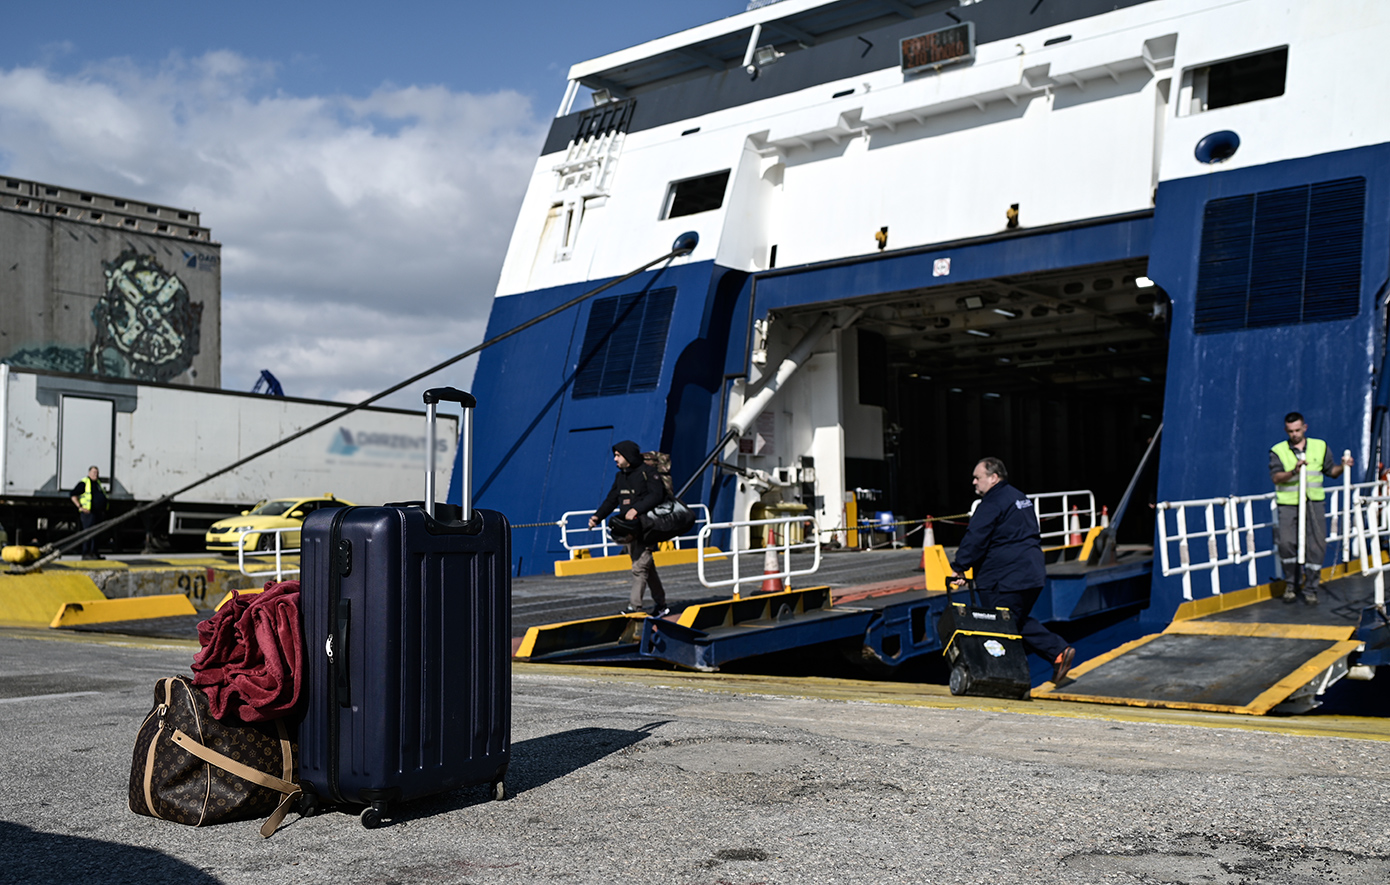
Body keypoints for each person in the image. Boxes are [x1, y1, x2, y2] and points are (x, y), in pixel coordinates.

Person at [950, 457, 1076, 684]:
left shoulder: (992, 503)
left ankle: (1013, 675)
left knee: (1001, 624)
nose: (974, 482)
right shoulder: (1020, 498)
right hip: (1032, 573)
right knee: (1015, 620)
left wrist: (959, 567)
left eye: (977, 477)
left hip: (1005, 578)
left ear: (993, 477)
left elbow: (976, 537)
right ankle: (1056, 654)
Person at [1269, 411, 1353, 605]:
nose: (1294, 434)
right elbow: (1276, 477)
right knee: (1286, 543)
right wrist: (1293, 471)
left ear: (1305, 428)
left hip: (1314, 502)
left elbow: (1331, 471)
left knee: (1316, 546)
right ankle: (1291, 584)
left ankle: (1311, 588)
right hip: (1289, 504)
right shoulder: (1278, 450)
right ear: (1286, 431)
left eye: (1298, 430)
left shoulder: (1320, 446)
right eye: (1290, 431)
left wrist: (1343, 466)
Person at [589, 440, 670, 618]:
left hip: (648, 528)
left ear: (628, 456)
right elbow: (612, 499)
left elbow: (657, 495)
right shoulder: (621, 477)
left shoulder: (648, 473)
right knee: (647, 568)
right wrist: (597, 517)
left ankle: (635, 607)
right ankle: (661, 604)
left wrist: (636, 509)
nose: (615, 459)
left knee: (640, 567)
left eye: (618, 455)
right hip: (630, 531)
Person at [69, 465, 109, 559]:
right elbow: (73, 494)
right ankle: (86, 553)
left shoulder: (97, 483)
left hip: (97, 513)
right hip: (88, 513)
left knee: (96, 534)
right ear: (89, 473)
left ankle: (94, 553)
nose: (96, 474)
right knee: (88, 533)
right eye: (94, 472)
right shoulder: (84, 483)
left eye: (97, 473)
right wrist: (80, 507)